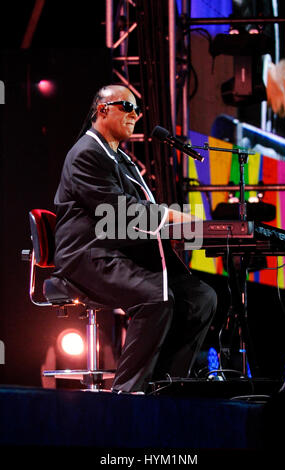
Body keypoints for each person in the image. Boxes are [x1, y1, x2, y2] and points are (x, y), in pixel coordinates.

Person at [53, 84, 217, 393]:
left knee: (200, 297)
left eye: (138, 110)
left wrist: (186, 229)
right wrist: (174, 217)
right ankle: (126, 397)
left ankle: (165, 389)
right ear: (102, 110)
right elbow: (118, 211)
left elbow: (136, 215)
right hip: (89, 255)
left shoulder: (121, 159)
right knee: (156, 296)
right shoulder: (86, 154)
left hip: (120, 251)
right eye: (127, 107)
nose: (136, 115)